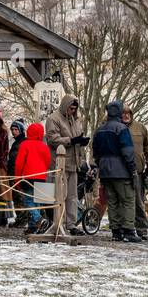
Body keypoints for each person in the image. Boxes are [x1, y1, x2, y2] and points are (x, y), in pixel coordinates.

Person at [93, 100, 141, 243]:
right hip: (121, 171)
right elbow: (127, 151)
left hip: (105, 171)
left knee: (112, 201)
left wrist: (100, 164)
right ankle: (128, 230)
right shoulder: (122, 129)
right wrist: (132, 169)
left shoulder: (99, 130)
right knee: (127, 200)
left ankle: (116, 231)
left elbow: (95, 152)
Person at [44, 93, 89, 235]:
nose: (73, 111)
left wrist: (81, 145)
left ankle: (71, 224)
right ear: (65, 106)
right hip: (59, 163)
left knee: (72, 196)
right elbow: (52, 139)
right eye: (71, 108)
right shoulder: (53, 119)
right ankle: (60, 222)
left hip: (73, 163)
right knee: (60, 195)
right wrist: (72, 140)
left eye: (75, 109)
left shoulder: (75, 120)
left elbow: (77, 137)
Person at [12, 122, 52, 234]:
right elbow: (48, 163)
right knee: (37, 202)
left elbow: (19, 164)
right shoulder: (44, 146)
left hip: (28, 177)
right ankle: (34, 227)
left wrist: (17, 179)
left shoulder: (25, 144)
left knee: (28, 201)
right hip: (42, 178)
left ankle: (39, 220)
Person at [122, 104, 148, 240]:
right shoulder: (117, 127)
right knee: (123, 201)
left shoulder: (140, 127)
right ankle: (125, 228)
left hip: (138, 170)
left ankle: (142, 229)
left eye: (128, 113)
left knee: (139, 201)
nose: (126, 115)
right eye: (123, 113)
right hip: (121, 170)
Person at [6, 118, 28, 226]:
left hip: (19, 174)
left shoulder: (23, 142)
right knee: (16, 197)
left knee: (20, 197)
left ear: (21, 130)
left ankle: (22, 219)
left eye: (16, 129)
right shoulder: (16, 143)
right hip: (13, 173)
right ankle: (20, 217)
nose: (14, 131)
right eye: (12, 129)